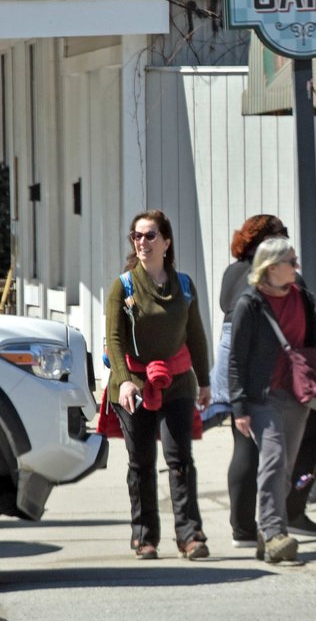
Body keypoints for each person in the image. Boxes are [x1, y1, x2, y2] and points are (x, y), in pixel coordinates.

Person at [206, 215, 316, 547]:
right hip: (262, 394)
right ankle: (275, 533)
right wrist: (239, 406)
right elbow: (236, 358)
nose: (297, 266)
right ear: (272, 266)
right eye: (291, 261)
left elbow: (311, 345)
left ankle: (262, 530)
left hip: (296, 394)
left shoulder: (300, 296)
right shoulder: (250, 302)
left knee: (283, 466)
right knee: (273, 458)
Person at [104, 209, 211, 560]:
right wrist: (123, 382)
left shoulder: (184, 285)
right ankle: (144, 536)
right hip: (133, 383)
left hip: (178, 382)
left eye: (150, 235)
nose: (142, 242)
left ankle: (190, 535)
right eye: (137, 236)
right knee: (142, 463)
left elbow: (195, 336)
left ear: (166, 242)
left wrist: (206, 381)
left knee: (180, 459)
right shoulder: (124, 287)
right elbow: (114, 340)